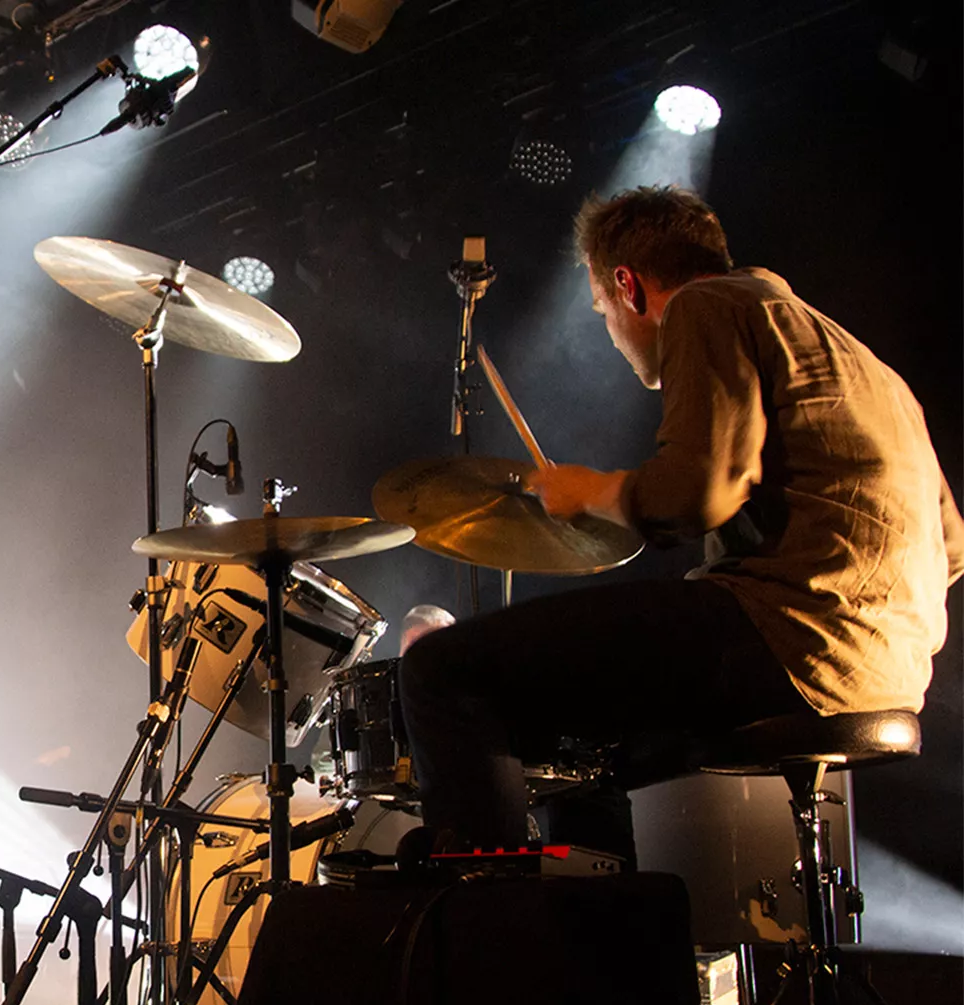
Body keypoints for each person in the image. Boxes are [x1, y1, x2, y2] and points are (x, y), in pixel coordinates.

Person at [399, 185, 964, 863]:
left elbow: (697, 492)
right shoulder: (866, 366)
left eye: (602, 310)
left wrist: (590, 490)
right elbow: (953, 548)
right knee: (581, 752)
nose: (610, 329)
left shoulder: (706, 304)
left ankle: (487, 914)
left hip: (793, 637)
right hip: (891, 669)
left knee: (440, 667)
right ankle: (609, 926)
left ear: (628, 286)